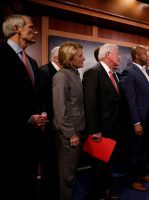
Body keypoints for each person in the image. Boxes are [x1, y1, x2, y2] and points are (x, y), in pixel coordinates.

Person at [0, 14, 47, 199]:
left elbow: (37, 96)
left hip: (31, 138)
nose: (35, 31)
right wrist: (27, 117)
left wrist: (41, 113)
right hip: (9, 136)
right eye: (31, 27)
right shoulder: (2, 54)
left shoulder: (32, 62)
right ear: (17, 29)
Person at [82, 44, 123, 200]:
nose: (119, 56)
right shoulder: (94, 72)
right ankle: (98, 194)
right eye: (117, 53)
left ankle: (105, 190)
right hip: (101, 129)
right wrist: (94, 130)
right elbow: (90, 103)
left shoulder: (113, 74)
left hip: (113, 128)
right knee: (99, 166)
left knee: (107, 164)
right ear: (107, 55)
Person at [120, 45, 149, 192]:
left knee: (144, 150)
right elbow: (130, 100)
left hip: (148, 119)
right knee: (134, 151)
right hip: (137, 121)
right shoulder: (129, 72)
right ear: (136, 56)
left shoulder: (146, 72)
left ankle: (142, 174)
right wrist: (136, 122)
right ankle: (132, 179)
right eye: (145, 53)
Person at [52, 41, 86, 200]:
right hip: (69, 133)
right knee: (67, 175)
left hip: (76, 130)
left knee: (71, 172)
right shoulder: (61, 76)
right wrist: (70, 133)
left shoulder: (74, 73)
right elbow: (60, 109)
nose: (83, 58)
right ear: (70, 57)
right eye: (80, 56)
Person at [38, 46, 61, 199]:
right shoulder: (44, 71)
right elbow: (40, 98)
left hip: (60, 124)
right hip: (47, 124)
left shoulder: (65, 72)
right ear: (57, 58)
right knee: (49, 159)